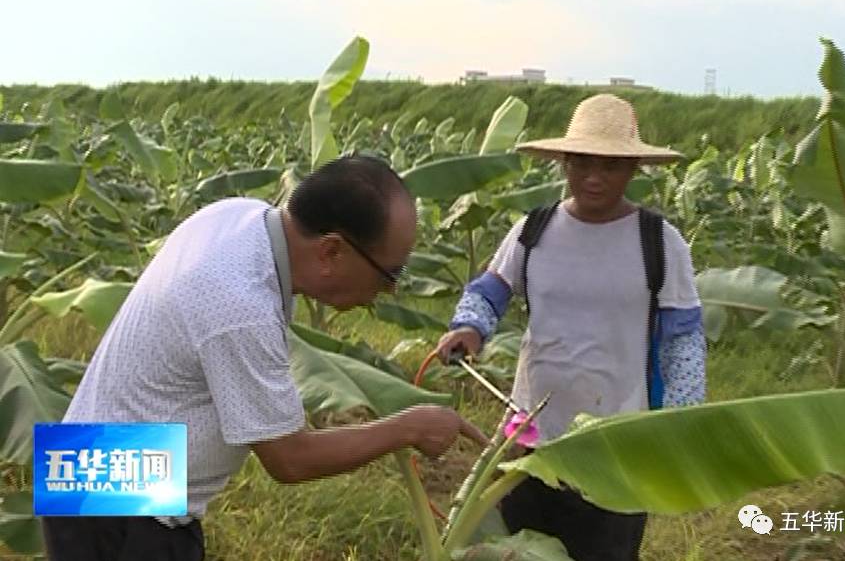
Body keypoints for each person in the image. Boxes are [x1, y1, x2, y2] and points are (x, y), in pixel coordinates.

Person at [41, 154, 486, 561]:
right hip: (118, 509)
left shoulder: (238, 216)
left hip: (94, 466)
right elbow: (289, 459)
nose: (388, 291)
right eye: (389, 274)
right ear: (332, 251)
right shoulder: (239, 304)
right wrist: (407, 427)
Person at [436, 94, 706, 561]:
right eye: (581, 163)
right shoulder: (533, 230)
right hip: (530, 436)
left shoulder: (659, 242)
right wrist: (470, 328)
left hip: (616, 444)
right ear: (564, 162)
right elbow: (492, 288)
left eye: (609, 166)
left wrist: (680, 423)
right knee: (520, 549)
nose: (593, 178)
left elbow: (682, 338)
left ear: (634, 168)